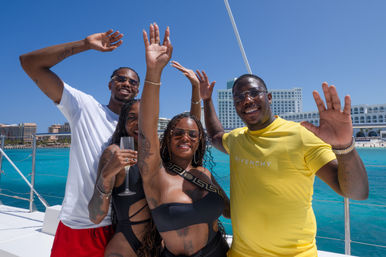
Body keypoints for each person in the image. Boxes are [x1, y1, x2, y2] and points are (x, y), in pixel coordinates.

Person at [199, 72, 369, 257]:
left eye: (254, 93)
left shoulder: (301, 136)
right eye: (239, 97)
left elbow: (356, 192)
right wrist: (207, 100)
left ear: (269, 97)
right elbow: (216, 136)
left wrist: (345, 147)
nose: (247, 100)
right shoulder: (237, 139)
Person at [19, 29, 140, 256]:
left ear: (138, 89)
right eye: (120, 79)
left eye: (133, 82)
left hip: (120, 227)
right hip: (79, 224)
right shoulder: (85, 108)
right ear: (110, 84)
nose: (126, 83)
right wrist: (85, 44)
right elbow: (29, 64)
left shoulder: (137, 127)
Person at [87, 60, 203, 257]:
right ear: (123, 123)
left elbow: (193, 130)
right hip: (126, 245)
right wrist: (106, 175)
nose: (139, 124)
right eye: (132, 118)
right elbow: (96, 216)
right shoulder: (114, 153)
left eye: (144, 119)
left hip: (161, 245)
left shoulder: (161, 153)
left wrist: (196, 88)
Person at [138, 23, 230, 257]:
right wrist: (154, 72)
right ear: (167, 139)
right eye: (177, 133)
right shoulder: (155, 173)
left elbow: (230, 211)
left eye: (192, 135)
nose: (185, 138)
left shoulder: (204, 174)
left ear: (199, 141)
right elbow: (147, 127)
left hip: (221, 251)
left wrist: (195, 90)